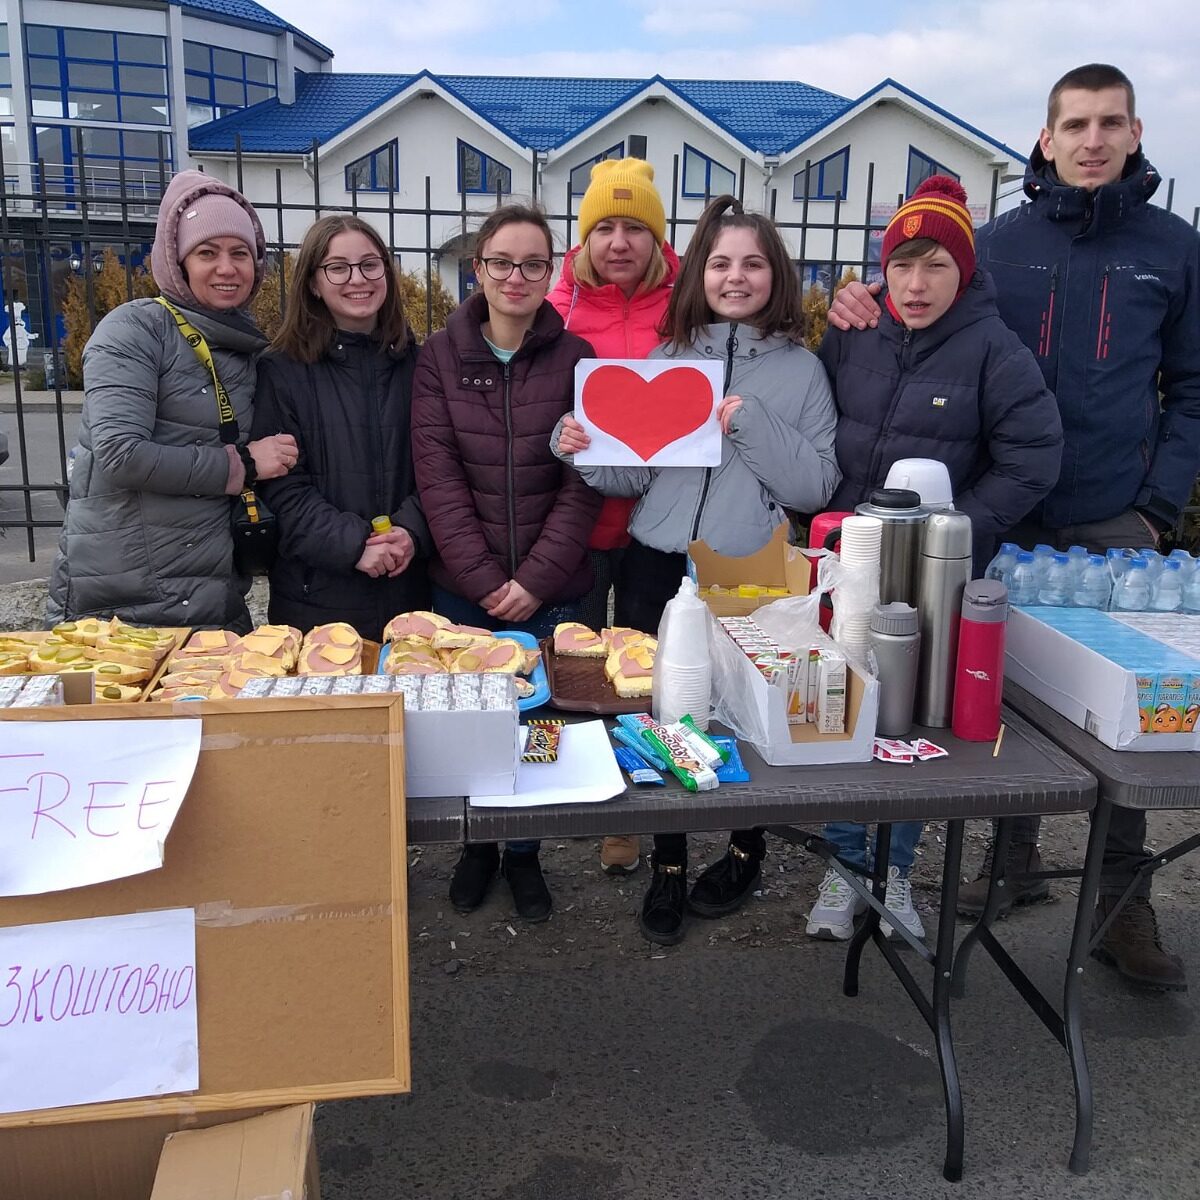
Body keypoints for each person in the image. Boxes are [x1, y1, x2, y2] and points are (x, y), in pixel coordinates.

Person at [829, 65, 1200, 990]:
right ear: (1046, 138)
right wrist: (858, 306)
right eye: (1074, 124)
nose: (1092, 140)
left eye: (1110, 124)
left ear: (1134, 132)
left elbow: (1191, 389)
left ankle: (1122, 907)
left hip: (1114, 518)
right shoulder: (996, 243)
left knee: (1120, 724)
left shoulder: (1172, 248)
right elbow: (926, 307)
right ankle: (1010, 863)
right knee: (990, 701)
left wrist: (1159, 504)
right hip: (1001, 520)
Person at [555, 195, 841, 945]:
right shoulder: (666, 359)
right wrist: (579, 446)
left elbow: (815, 486)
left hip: (750, 571)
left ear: (775, 275)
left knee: (742, 712)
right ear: (699, 275)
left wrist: (745, 419)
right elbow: (630, 476)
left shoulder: (803, 372)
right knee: (664, 714)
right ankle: (670, 861)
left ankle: (747, 845)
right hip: (658, 564)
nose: (735, 277)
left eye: (752, 263)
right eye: (720, 263)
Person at [807, 175, 1062, 944]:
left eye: (937, 266)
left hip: (931, 579)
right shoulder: (852, 332)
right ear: (883, 270)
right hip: (847, 566)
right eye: (903, 265)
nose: (916, 285)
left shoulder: (994, 350)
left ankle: (897, 875)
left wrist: (955, 530)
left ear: (966, 272)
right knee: (840, 714)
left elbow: (1035, 459)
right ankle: (843, 867)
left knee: (910, 724)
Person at [411, 204, 601, 924]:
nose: (515, 277)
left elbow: (584, 485)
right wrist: (490, 585)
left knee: (540, 729)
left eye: (532, 264)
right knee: (472, 728)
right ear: (478, 268)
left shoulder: (580, 358)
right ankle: (475, 846)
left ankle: (525, 851)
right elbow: (438, 479)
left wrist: (535, 583)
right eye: (501, 262)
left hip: (556, 591)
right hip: (465, 592)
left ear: (550, 272)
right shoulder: (439, 357)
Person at [48, 170, 297, 633]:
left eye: (240, 253)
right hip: (122, 606)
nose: (227, 268)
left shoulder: (244, 349)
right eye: (207, 253)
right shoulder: (135, 329)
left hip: (213, 599)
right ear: (178, 262)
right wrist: (243, 463)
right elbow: (121, 455)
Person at [547, 156, 680, 877]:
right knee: (568, 668)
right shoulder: (557, 307)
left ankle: (635, 809)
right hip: (574, 521)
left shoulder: (688, 305)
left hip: (656, 527)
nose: (620, 242)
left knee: (646, 673)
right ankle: (573, 784)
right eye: (605, 228)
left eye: (635, 227)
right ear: (585, 240)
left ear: (658, 239)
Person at [251, 216, 429, 642]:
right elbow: (282, 487)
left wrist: (411, 532)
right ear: (313, 282)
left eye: (370, 264)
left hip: (410, 590)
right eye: (338, 267)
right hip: (316, 596)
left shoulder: (420, 366)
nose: (357, 279)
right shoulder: (282, 371)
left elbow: (443, 468)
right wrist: (356, 545)